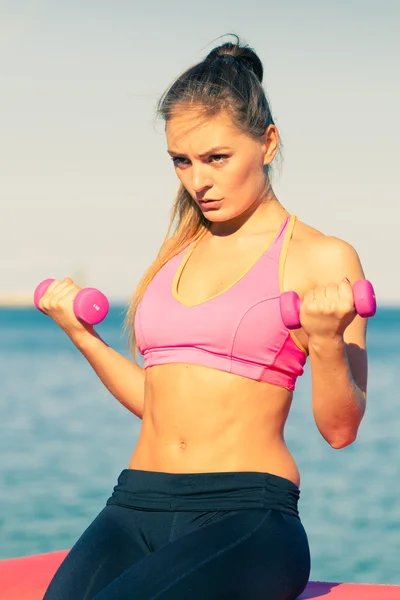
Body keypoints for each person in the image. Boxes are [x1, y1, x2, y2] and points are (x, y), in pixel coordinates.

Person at [41, 36, 369, 600]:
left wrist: (325, 342)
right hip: (133, 504)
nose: (199, 181)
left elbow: (340, 429)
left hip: (245, 515)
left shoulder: (321, 257)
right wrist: (82, 336)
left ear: (267, 142)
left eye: (217, 158)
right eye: (182, 161)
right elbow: (160, 402)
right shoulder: (177, 253)